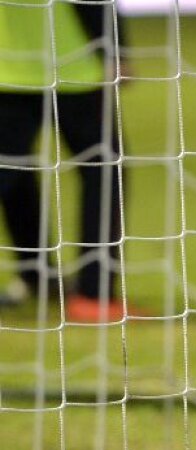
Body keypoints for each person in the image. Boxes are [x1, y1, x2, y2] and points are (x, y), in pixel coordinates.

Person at [0, 1, 137, 322]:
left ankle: (37, 275)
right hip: (72, 64)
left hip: (10, 68)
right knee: (104, 171)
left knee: (13, 173)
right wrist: (116, 49)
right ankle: (93, 294)